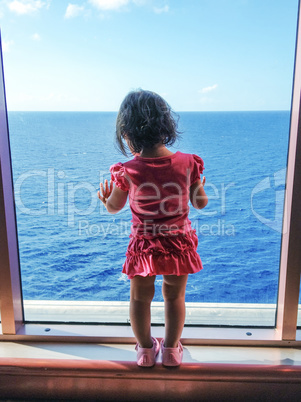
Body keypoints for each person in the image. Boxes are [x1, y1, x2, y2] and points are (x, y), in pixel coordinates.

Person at [98, 90, 208, 367]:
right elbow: (200, 203)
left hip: (144, 246)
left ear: (126, 132)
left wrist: (105, 200)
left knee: (139, 298)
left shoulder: (128, 170)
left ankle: (146, 350)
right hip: (178, 243)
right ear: (167, 126)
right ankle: (171, 350)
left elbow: (114, 207)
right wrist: (200, 187)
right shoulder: (188, 163)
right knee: (174, 296)